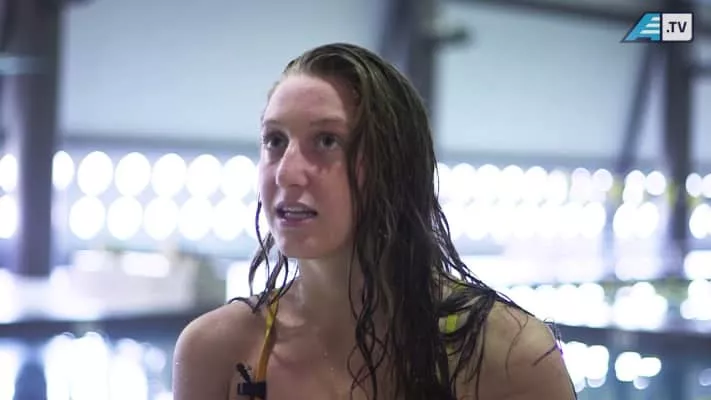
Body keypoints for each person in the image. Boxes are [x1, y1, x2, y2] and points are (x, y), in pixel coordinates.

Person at [173, 43, 576, 400]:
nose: (286, 173)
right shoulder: (217, 353)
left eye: (327, 140)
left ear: (395, 166)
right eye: (275, 141)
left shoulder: (507, 357)